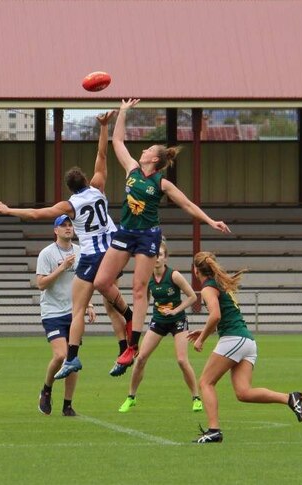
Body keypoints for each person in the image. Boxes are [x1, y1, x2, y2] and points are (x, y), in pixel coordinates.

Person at [94, 99, 231, 374]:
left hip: (147, 237)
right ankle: (131, 317)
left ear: (154, 159)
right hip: (125, 232)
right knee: (101, 282)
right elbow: (117, 141)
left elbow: (188, 204)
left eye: (147, 149)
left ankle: (132, 344)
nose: (142, 150)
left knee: (138, 288)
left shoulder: (161, 182)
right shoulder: (132, 169)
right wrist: (122, 112)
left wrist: (209, 220)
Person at [0, 111, 133, 379]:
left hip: (93, 255)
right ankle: (124, 346)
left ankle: (73, 357)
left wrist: (8, 210)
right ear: (86, 180)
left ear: (69, 187)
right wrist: (103, 127)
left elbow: (35, 214)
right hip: (115, 250)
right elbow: (102, 157)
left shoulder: (69, 206)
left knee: (78, 307)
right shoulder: (98, 188)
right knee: (107, 301)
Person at [188, 252, 302, 443]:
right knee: (243, 392)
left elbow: (216, 315)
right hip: (247, 341)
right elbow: (225, 316)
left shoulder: (208, 288)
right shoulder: (220, 285)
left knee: (206, 383)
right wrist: (203, 331)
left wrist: (202, 338)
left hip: (233, 339)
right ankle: (289, 398)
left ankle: (214, 430)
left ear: (195, 270)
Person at [118, 240, 202, 413]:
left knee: (181, 359)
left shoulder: (174, 275)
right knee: (140, 358)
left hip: (177, 321)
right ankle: (131, 397)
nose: (156, 258)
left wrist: (175, 310)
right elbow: (144, 300)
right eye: (154, 255)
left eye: (160, 255)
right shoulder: (147, 277)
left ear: (166, 258)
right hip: (158, 321)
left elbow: (193, 296)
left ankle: (196, 398)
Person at [35, 215, 92, 416]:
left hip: (74, 312)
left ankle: (67, 404)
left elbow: (83, 282)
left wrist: (89, 304)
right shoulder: (46, 254)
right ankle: (46, 390)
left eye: (70, 225)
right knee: (60, 355)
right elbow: (41, 284)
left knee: (72, 360)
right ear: (56, 230)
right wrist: (62, 267)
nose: (68, 228)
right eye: (63, 226)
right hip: (52, 312)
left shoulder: (80, 251)